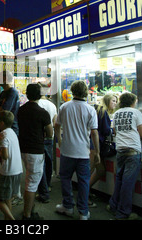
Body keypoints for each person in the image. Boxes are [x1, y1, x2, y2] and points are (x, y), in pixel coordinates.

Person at [54, 80, 100, 220]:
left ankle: (67, 206)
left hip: (67, 150)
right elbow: (94, 133)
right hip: (83, 153)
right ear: (85, 92)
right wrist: (97, 152)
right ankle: (83, 212)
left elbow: (56, 125)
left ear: (72, 91)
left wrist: (59, 139)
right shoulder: (90, 109)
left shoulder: (65, 107)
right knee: (84, 181)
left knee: (65, 178)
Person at [107, 92, 142, 220]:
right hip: (133, 150)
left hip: (120, 150)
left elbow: (114, 131)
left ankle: (113, 205)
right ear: (133, 101)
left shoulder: (116, 113)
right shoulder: (136, 112)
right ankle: (123, 212)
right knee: (127, 184)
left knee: (119, 180)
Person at [17, 83, 53, 220]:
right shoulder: (42, 112)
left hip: (23, 148)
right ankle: (27, 215)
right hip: (36, 151)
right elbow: (50, 133)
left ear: (27, 94)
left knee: (29, 179)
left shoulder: (21, 110)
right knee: (32, 183)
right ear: (40, 95)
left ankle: (30, 210)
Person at [0, 70, 21, 205]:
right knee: (3, 158)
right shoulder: (3, 93)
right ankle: (7, 192)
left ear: (6, 79)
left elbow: (4, 111)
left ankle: (15, 193)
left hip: (11, 128)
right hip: (3, 126)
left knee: (8, 158)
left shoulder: (13, 93)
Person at [89, 92, 118, 207]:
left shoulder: (97, 109)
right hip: (95, 146)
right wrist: (112, 130)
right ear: (107, 101)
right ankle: (83, 196)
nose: (115, 103)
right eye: (113, 101)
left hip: (94, 145)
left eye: (116, 101)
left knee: (100, 170)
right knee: (89, 170)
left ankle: (86, 191)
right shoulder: (103, 112)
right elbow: (106, 130)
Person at [0, 110, 22, 220]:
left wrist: (0, 153)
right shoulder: (12, 132)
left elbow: (5, 155)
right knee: (8, 198)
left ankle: (11, 218)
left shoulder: (2, 134)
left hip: (8, 172)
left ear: (2, 123)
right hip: (18, 170)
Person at [36, 84, 57, 204]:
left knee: (41, 164)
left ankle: (43, 190)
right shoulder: (52, 105)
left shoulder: (37, 104)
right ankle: (48, 185)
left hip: (39, 138)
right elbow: (55, 122)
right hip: (50, 137)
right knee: (49, 162)